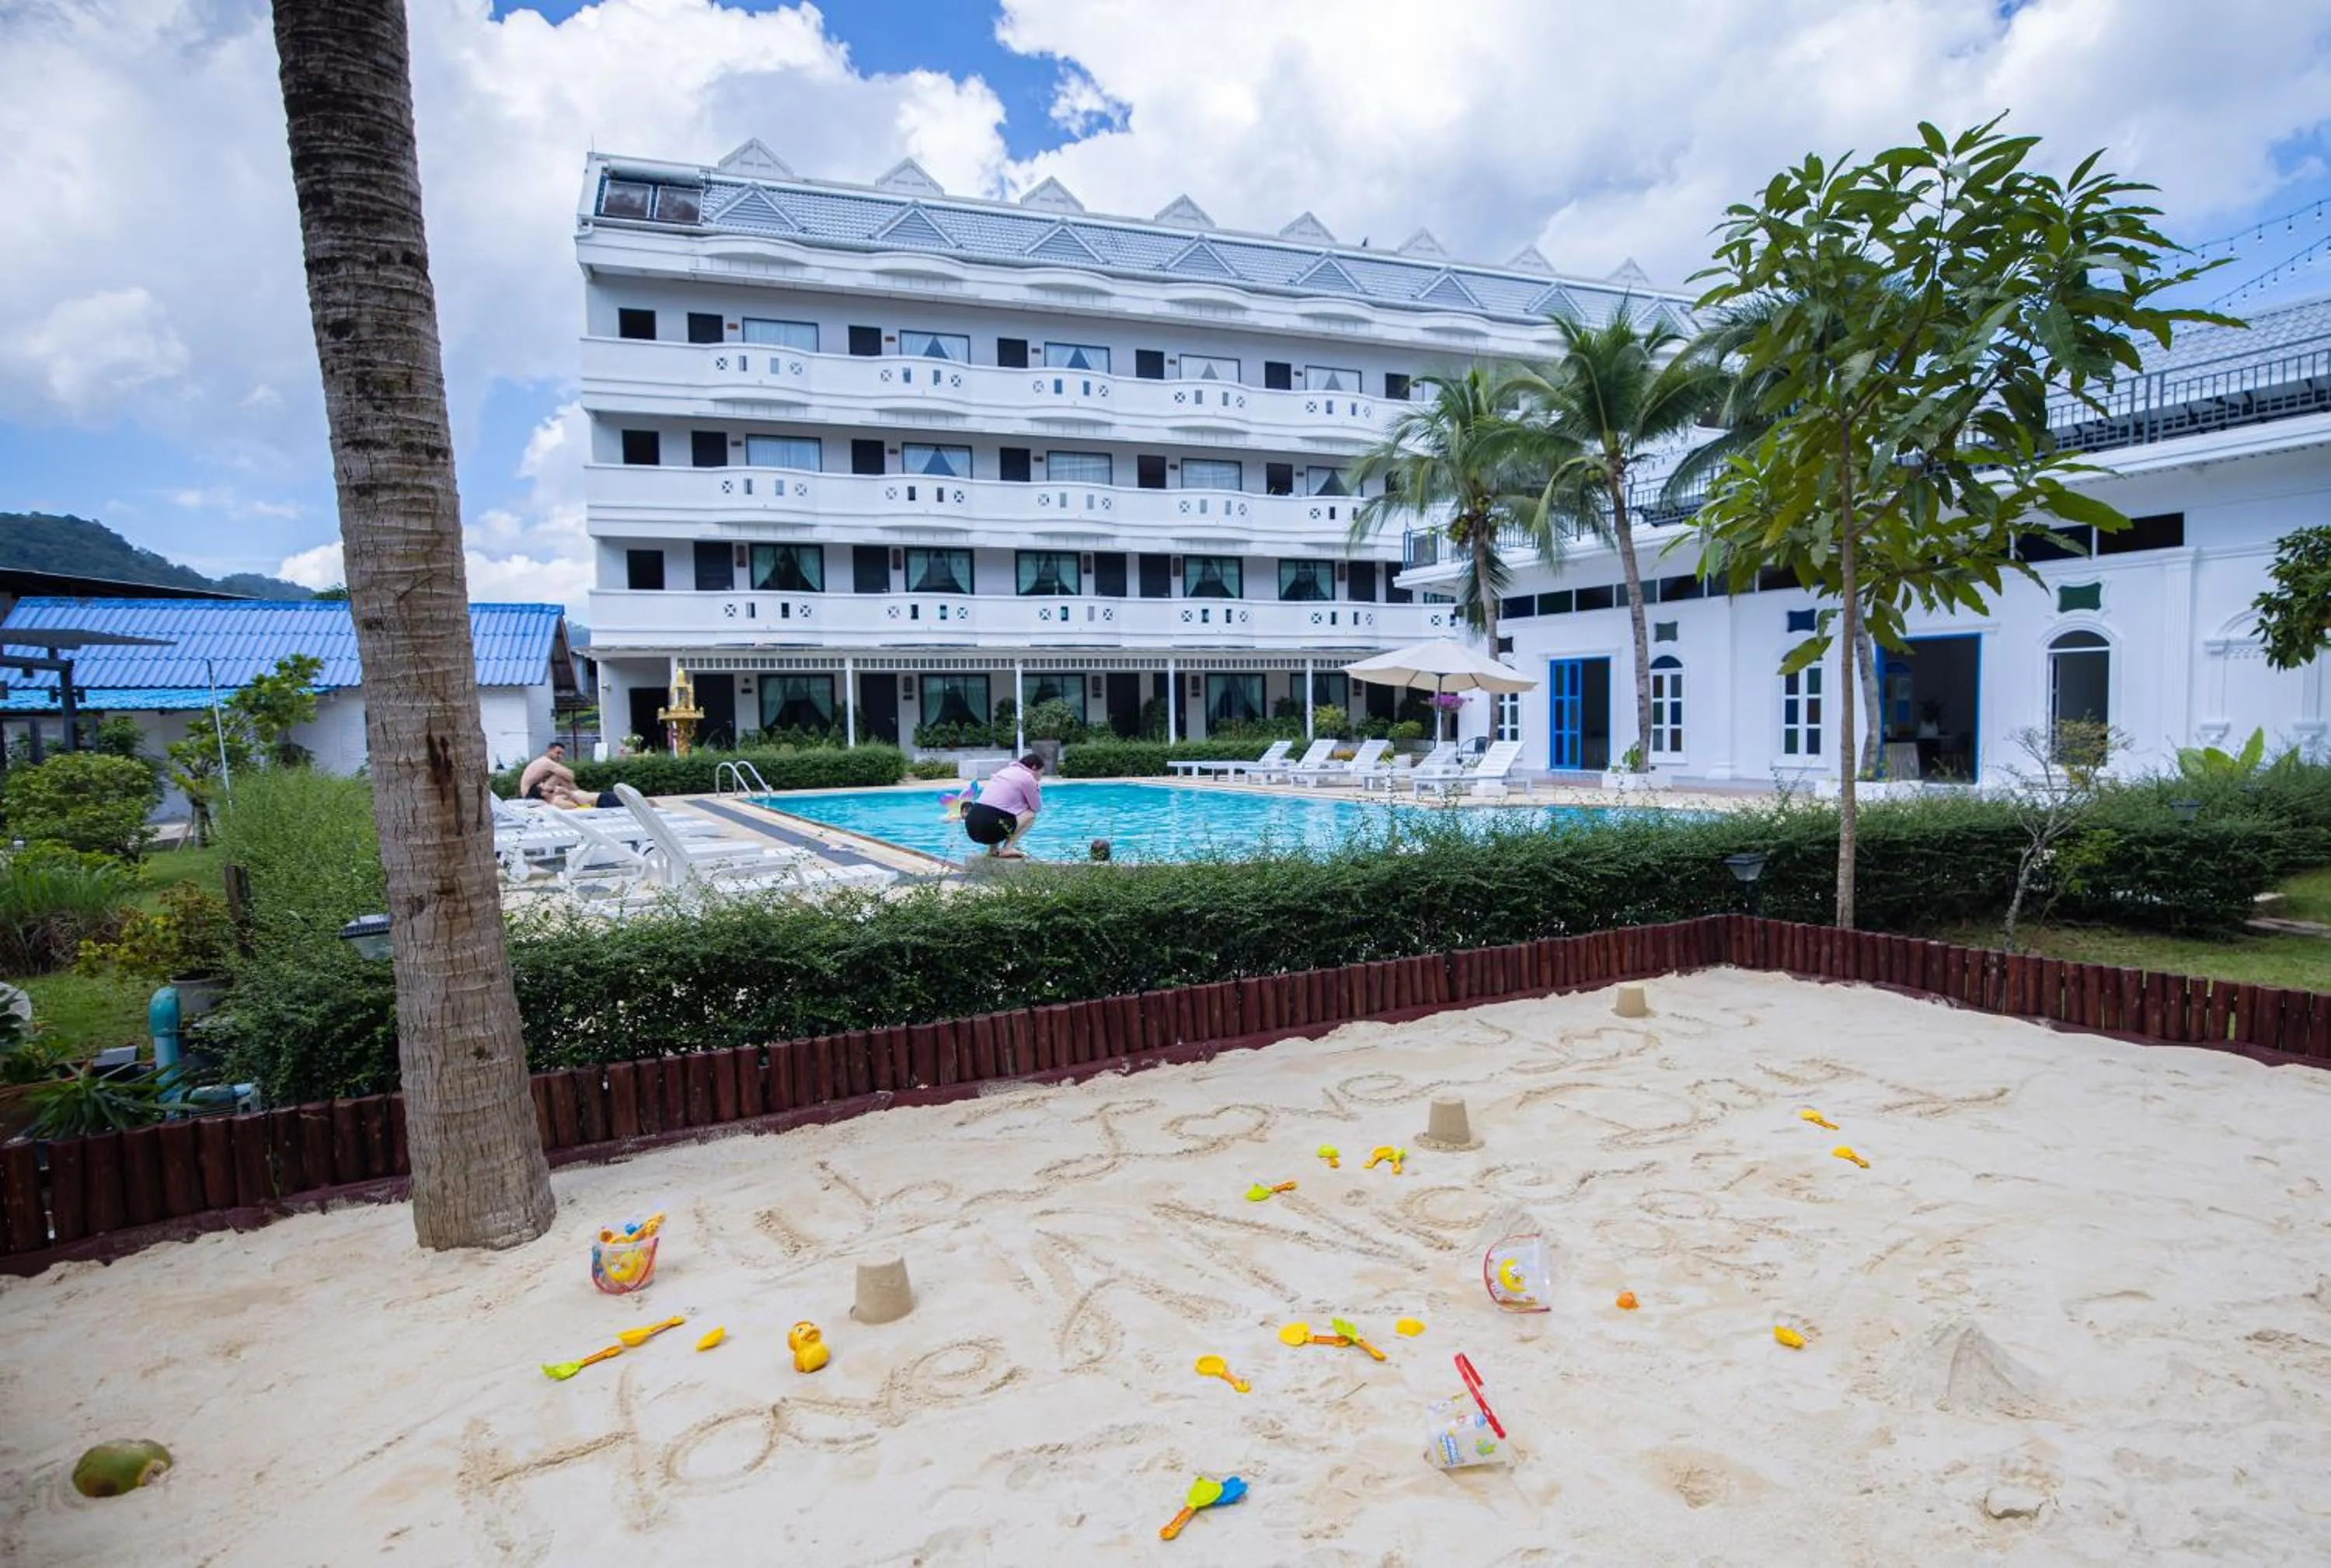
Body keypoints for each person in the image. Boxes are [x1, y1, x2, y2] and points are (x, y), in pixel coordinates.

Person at [963, 751, 1044, 858]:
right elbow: (1036, 808)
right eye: (1041, 773)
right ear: (1034, 768)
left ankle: (993, 850)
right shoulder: (1028, 777)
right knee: (1030, 815)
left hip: (971, 827)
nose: (1040, 777)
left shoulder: (1004, 772)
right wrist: (1037, 789)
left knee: (995, 812)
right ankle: (1007, 848)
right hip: (990, 827)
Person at [517, 742, 618, 810]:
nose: (560, 756)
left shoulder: (543, 764)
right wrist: (572, 793)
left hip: (534, 794)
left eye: (562, 754)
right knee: (560, 776)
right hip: (530, 795)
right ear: (549, 751)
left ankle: (582, 793)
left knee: (561, 777)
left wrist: (569, 793)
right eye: (558, 753)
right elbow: (570, 776)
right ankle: (581, 793)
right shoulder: (546, 763)